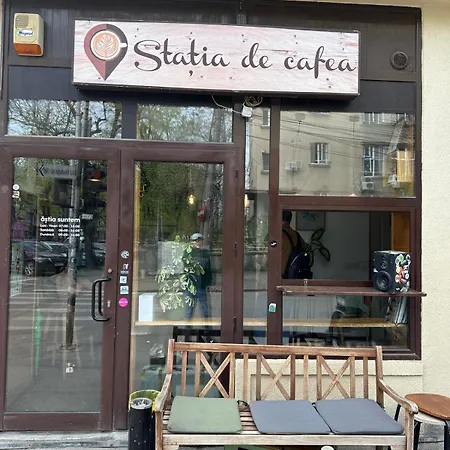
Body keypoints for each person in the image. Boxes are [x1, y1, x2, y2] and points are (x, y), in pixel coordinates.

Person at [184, 233, 214, 320]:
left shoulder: (204, 253)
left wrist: (210, 283)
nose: (198, 243)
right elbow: (185, 268)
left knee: (205, 311)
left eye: (199, 241)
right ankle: (187, 328)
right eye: (196, 241)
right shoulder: (188, 253)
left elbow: (208, 269)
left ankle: (207, 327)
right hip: (191, 285)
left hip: (201, 285)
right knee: (189, 312)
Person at [282, 210, 307, 277]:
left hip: (280, 274)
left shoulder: (276, 235)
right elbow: (305, 247)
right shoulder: (296, 234)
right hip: (294, 273)